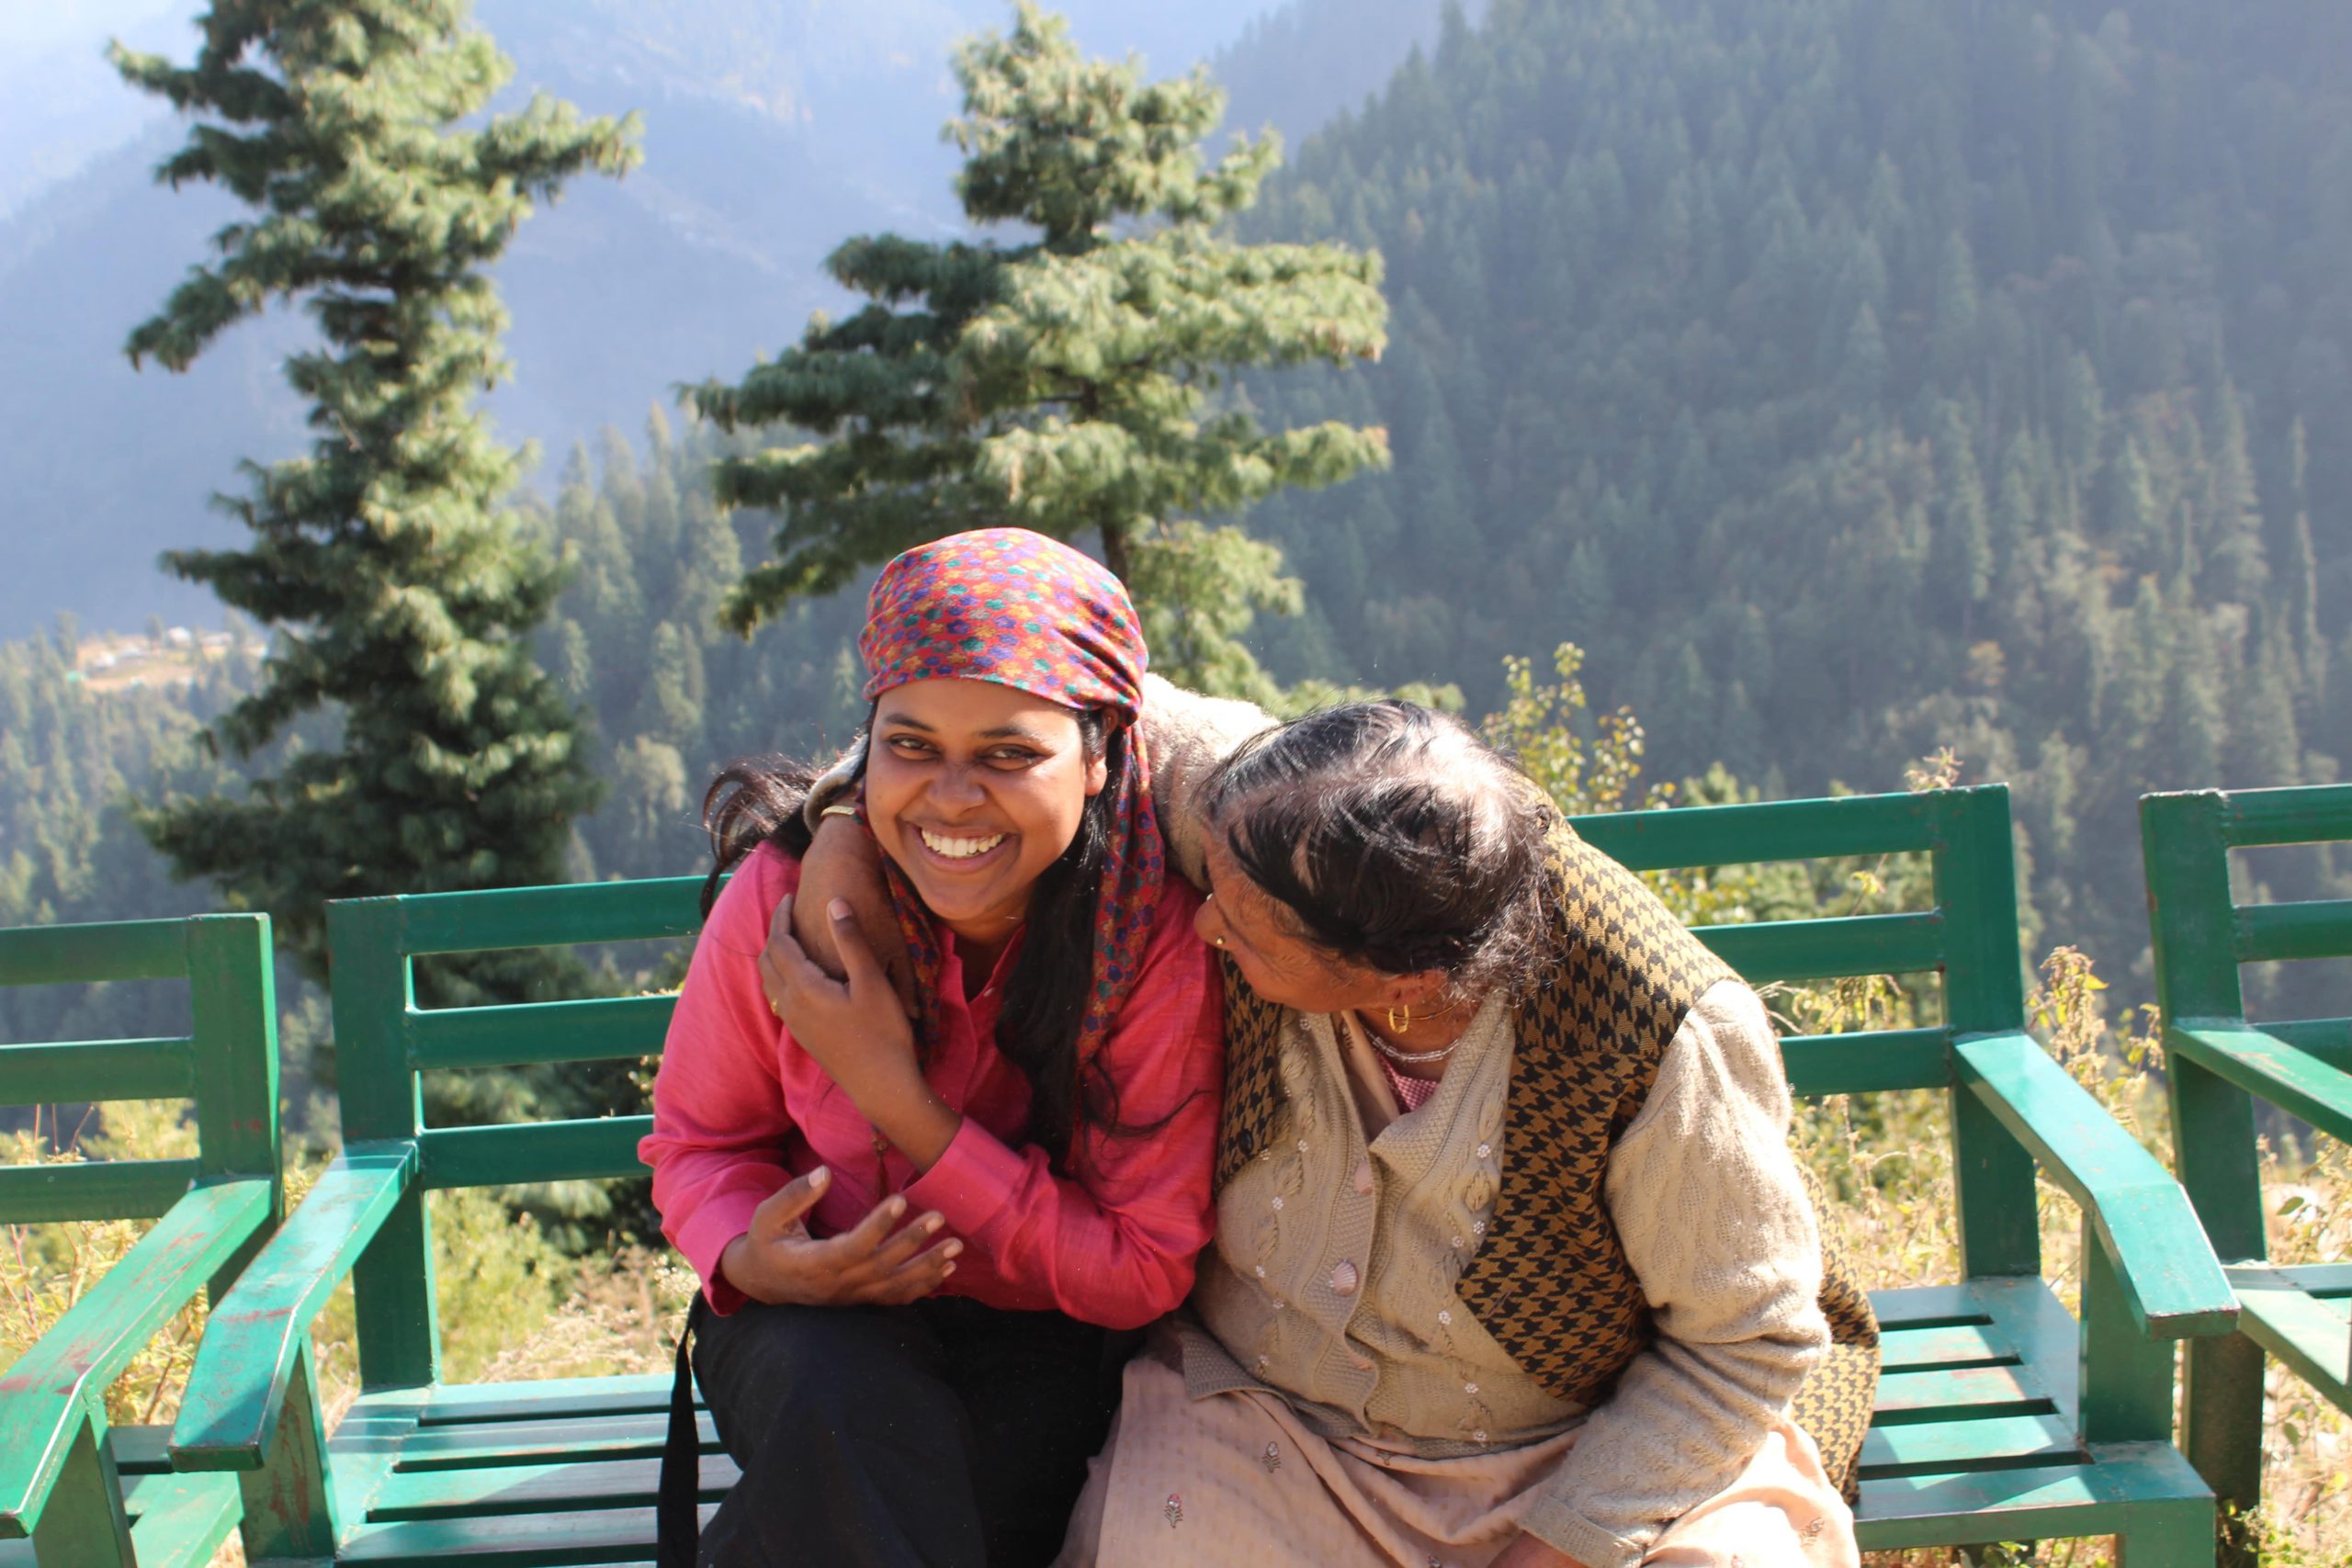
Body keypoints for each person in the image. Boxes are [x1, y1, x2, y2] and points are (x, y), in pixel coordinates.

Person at [795, 693, 1876, 1568]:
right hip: (1268, 1428)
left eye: (1248, 934)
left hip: (1578, 1449)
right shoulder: (1279, 822)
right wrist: (843, 819)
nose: (1205, 926)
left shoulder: (1657, 1033)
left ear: (1400, 980)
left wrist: (1564, 1550)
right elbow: (1064, 699)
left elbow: (1744, 1343)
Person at [641, 528, 1226, 1568]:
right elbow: (700, 1144)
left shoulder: (1149, 946)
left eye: (1009, 754)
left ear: (1098, 758)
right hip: (807, 1327)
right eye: (910, 747)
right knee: (842, 1412)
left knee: (955, 1493)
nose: (952, 799)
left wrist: (898, 1102)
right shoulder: (784, 903)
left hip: (1041, 1333)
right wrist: (751, 1257)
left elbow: (1139, 1269)